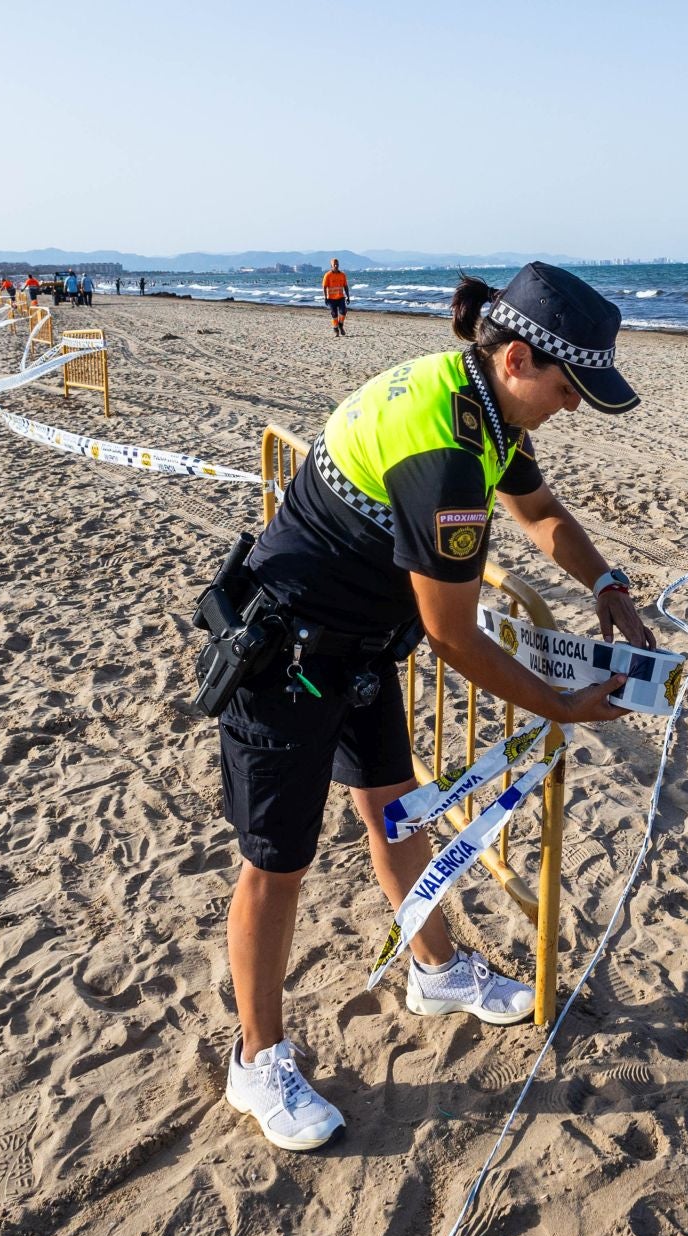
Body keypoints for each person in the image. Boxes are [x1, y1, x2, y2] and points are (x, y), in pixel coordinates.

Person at [214, 262, 652, 1151]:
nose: (571, 407)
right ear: (520, 357)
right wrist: (559, 706)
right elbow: (452, 634)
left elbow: (538, 511)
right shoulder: (448, 448)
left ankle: (437, 969)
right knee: (277, 862)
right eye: (569, 389)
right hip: (288, 658)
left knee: (395, 809)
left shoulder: (479, 396)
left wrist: (603, 580)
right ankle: (256, 1058)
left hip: (360, 651)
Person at [322, 258, 349, 337]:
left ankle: (341, 325)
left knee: (343, 312)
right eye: (334, 265)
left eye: (337, 264)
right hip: (331, 299)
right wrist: (325, 298)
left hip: (340, 297)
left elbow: (345, 286)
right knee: (334, 314)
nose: (336, 266)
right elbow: (324, 287)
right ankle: (336, 329)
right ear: (331, 266)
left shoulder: (342, 275)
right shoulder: (327, 275)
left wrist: (348, 296)